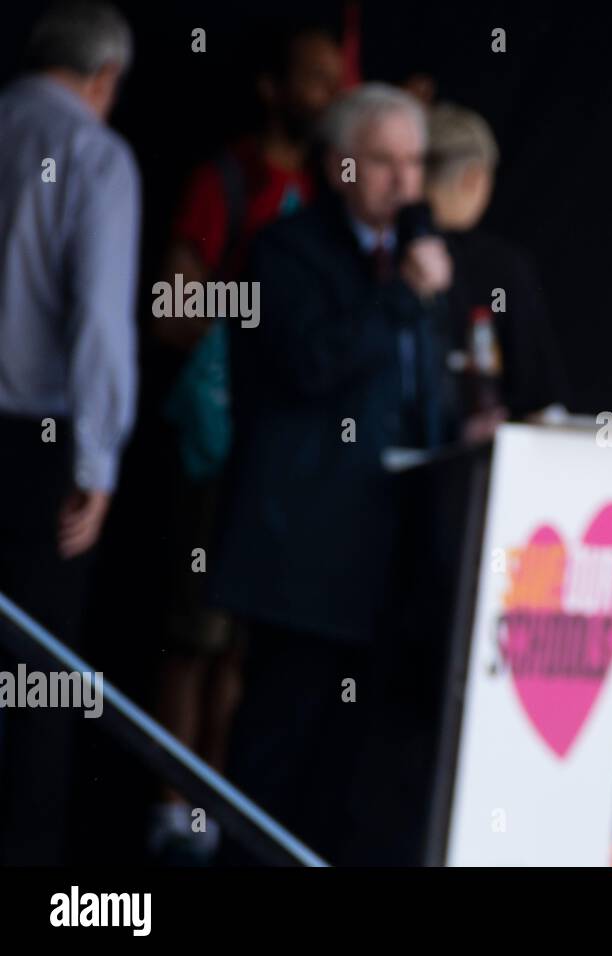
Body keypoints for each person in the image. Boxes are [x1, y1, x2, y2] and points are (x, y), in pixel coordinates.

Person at [209, 83, 457, 864]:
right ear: (339, 166)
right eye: (383, 161)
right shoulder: (287, 252)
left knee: (350, 773)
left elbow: (420, 390)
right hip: (304, 560)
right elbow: (311, 364)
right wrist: (403, 297)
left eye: (415, 162)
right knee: (276, 750)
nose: (404, 181)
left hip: (393, 558)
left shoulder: (418, 261)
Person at [147, 24, 345, 865]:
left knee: (247, 648)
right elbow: (169, 307)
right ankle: (168, 811)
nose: (329, 98)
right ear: (273, 88)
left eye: (339, 83)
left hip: (294, 465)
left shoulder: (335, 196)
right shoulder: (228, 180)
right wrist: (254, 319)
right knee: (195, 635)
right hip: (219, 448)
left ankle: (218, 808)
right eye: (314, 80)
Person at [0, 0, 140, 864]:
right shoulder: (93, 153)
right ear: (104, 77)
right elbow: (98, 321)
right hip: (36, 447)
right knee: (38, 677)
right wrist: (97, 459)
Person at [423, 103, 571, 432]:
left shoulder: (377, 250)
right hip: (474, 457)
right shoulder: (503, 268)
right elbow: (542, 399)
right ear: (474, 178)